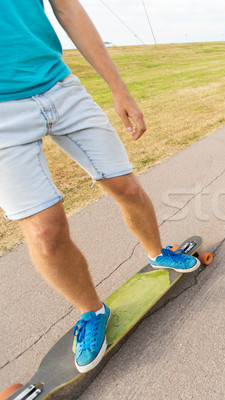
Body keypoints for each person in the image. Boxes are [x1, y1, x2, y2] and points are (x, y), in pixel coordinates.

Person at [0, 0, 200, 373]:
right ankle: (92, 311)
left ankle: (157, 252)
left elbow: (68, 10)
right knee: (44, 232)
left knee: (126, 188)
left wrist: (118, 88)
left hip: (59, 86)